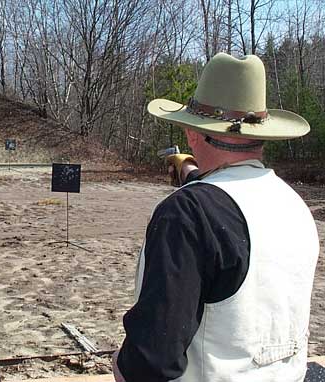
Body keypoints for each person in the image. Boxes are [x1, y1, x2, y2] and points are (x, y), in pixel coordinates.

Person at [112, 53, 320, 381]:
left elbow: (151, 361)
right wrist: (192, 174)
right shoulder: (293, 204)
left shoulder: (187, 214)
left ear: (194, 134)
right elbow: (230, 217)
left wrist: (121, 366)